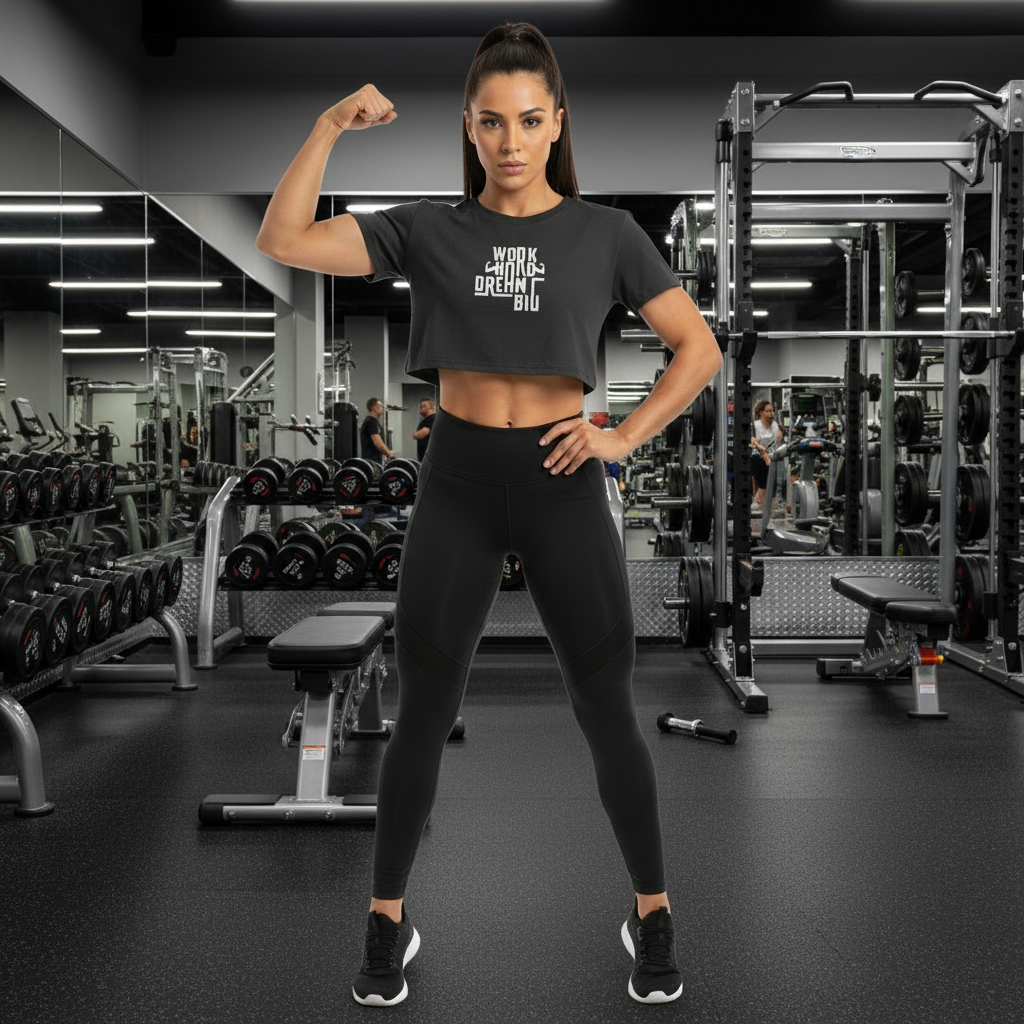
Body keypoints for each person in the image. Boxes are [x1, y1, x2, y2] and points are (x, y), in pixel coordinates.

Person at [255, 21, 723, 1008]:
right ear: (469, 128)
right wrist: (330, 125)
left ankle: (652, 911)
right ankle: (386, 921)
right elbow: (283, 238)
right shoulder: (428, 231)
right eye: (492, 122)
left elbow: (699, 350)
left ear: (557, 124)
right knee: (424, 710)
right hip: (459, 483)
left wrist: (621, 438)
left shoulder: (608, 234)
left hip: (561, 479)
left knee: (607, 709)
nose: (512, 141)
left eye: (531, 120)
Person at [750, 399, 782, 513]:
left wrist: (780, 435)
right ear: (761, 412)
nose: (771, 413)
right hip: (758, 458)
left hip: (772, 457)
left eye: (772, 411)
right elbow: (753, 441)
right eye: (768, 411)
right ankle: (764, 510)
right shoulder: (756, 425)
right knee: (763, 485)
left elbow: (778, 439)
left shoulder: (774, 425)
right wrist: (760, 449)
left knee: (772, 486)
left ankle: (770, 511)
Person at [361, 397, 393, 466]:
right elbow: (377, 442)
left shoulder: (374, 422)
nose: (382, 408)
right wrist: (390, 455)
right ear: (374, 408)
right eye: (380, 406)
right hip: (371, 461)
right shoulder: (371, 422)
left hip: (376, 460)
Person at [411, 396, 436, 460]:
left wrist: (414, 434)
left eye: (424, 406)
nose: (421, 408)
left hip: (431, 457)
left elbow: (422, 434)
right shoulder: (428, 420)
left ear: (431, 407)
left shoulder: (432, 419)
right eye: (420, 407)